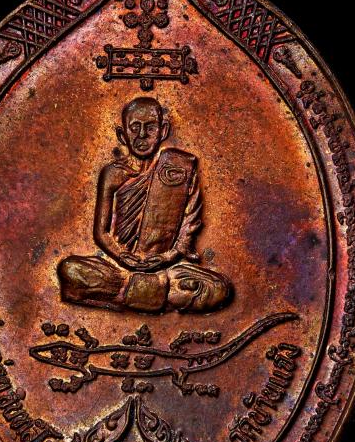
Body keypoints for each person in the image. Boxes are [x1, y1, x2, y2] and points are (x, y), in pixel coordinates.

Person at [57, 97, 233, 313]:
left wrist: (167, 257)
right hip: (119, 267)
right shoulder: (112, 174)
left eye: (150, 128)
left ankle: (130, 294)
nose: (142, 135)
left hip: (165, 267)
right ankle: (150, 294)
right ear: (122, 135)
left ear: (163, 131)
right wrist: (122, 257)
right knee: (70, 269)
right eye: (134, 128)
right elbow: (101, 233)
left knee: (218, 288)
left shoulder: (181, 166)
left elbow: (190, 222)